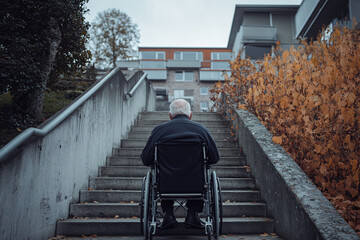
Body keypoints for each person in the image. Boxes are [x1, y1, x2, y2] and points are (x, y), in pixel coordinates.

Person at [141, 99, 219, 229]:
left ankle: (169, 215)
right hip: (196, 184)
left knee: (161, 175)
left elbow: (146, 159)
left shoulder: (159, 131)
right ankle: (192, 214)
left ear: (170, 115)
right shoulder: (201, 130)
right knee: (200, 175)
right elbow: (215, 158)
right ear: (190, 115)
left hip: (166, 185)